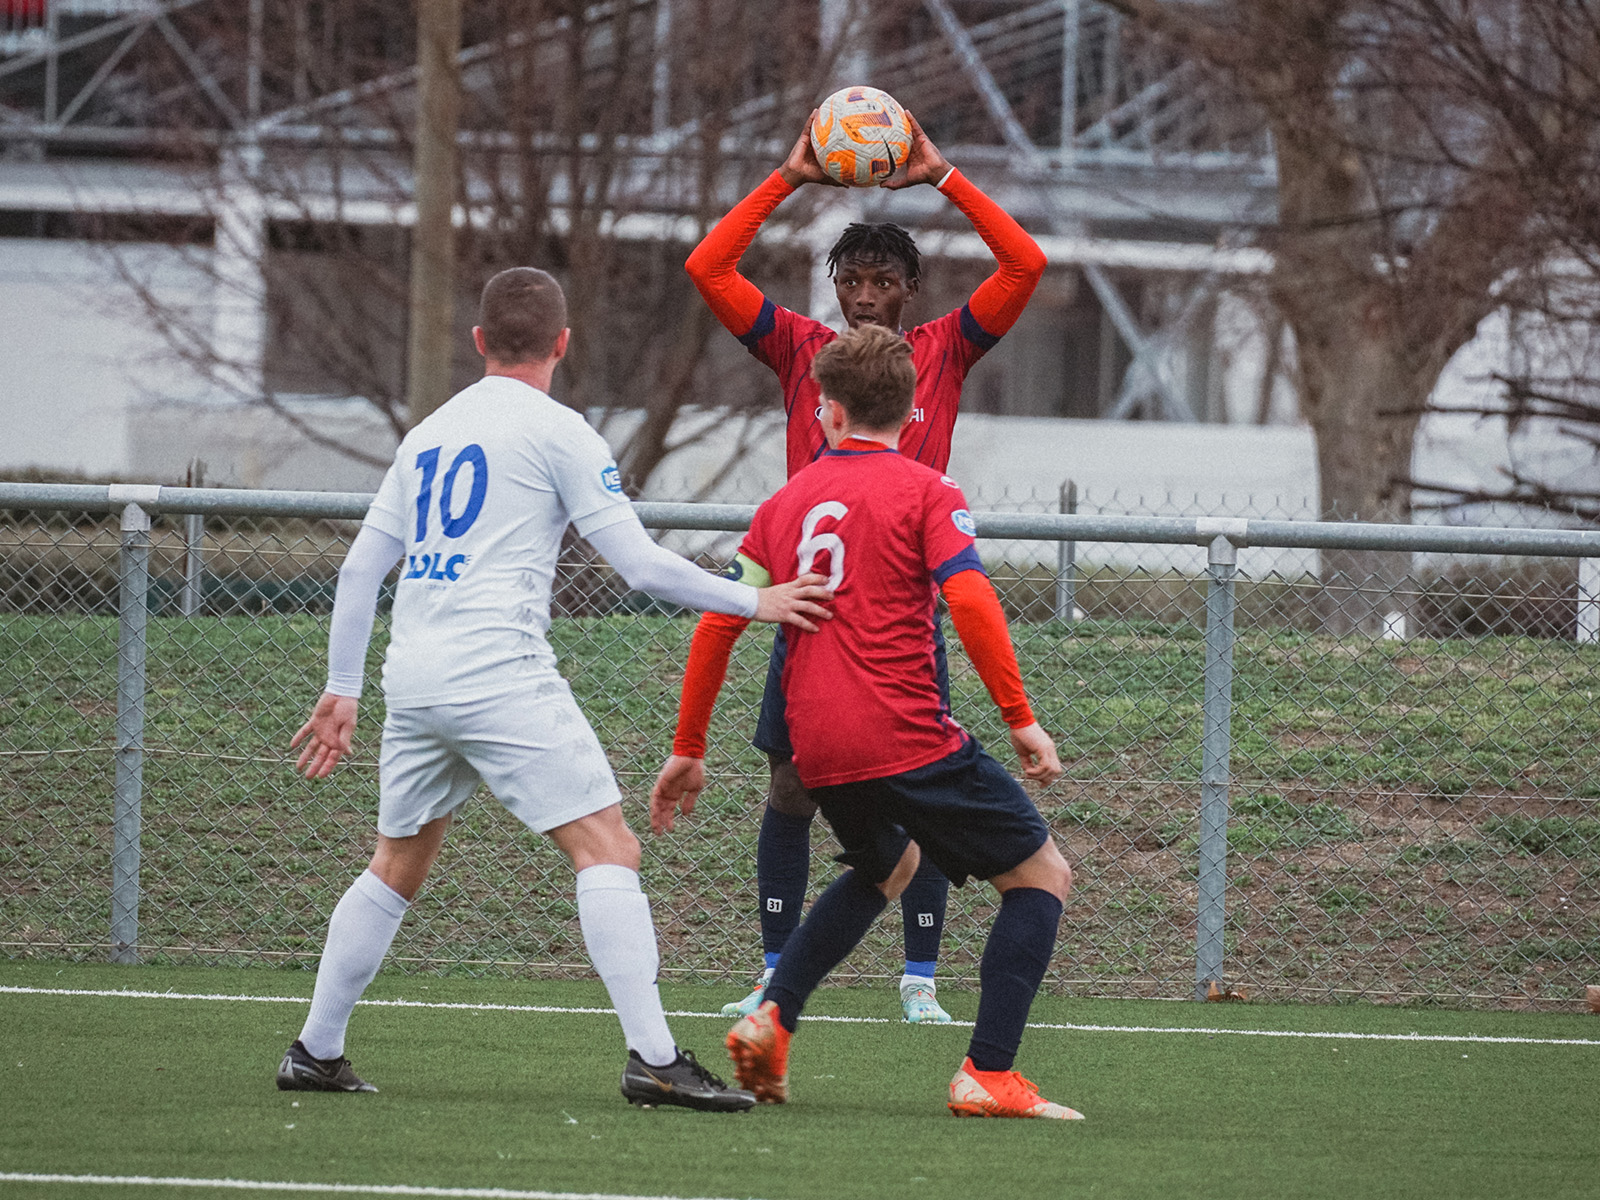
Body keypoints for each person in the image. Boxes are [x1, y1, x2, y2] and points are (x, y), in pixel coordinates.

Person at [276, 267, 833, 1112]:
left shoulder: (427, 433)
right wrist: (757, 601)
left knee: (396, 861)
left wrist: (341, 688)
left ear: (479, 343)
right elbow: (640, 565)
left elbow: (360, 571)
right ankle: (655, 1061)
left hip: (414, 675)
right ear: (563, 344)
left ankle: (315, 1051)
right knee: (609, 849)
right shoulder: (561, 431)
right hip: (497, 670)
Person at [651, 325, 1082, 1120]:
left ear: (830, 412)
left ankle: (773, 1017)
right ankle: (988, 1074)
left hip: (815, 744)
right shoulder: (928, 490)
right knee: (1042, 876)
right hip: (903, 731)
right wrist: (1021, 719)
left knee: (889, 864)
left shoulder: (783, 504)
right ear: (912, 410)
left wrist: (689, 747)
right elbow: (970, 597)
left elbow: (718, 621)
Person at [678, 107, 1047, 1024]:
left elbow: (1024, 266)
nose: (866, 297)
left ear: (910, 289)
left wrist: (942, 175)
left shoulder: (942, 351)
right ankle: (775, 971)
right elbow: (708, 268)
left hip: (901, 611)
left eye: (884, 281)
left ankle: (919, 979)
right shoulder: (801, 350)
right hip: (804, 604)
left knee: (922, 796)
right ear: (835, 287)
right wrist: (790, 175)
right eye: (852, 281)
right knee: (791, 787)